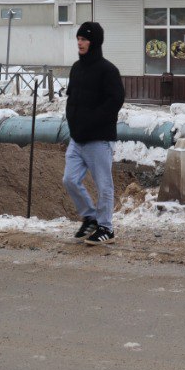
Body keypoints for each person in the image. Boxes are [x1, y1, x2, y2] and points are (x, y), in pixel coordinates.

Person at [63, 21, 125, 246]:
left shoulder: (108, 70)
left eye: (84, 39)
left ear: (94, 42)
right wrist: (73, 121)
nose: (80, 43)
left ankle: (106, 228)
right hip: (77, 139)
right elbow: (72, 98)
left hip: (99, 139)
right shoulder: (76, 69)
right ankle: (90, 217)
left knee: (104, 186)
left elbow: (115, 101)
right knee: (69, 179)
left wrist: (93, 121)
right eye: (78, 39)